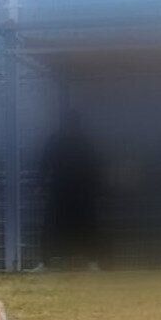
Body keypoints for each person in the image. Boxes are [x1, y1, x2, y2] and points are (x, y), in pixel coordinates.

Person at [36, 104, 105, 271]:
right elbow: (94, 166)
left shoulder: (57, 139)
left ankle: (46, 262)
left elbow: (45, 164)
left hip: (63, 190)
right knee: (85, 225)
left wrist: (40, 184)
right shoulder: (83, 141)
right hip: (78, 191)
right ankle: (91, 262)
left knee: (53, 225)